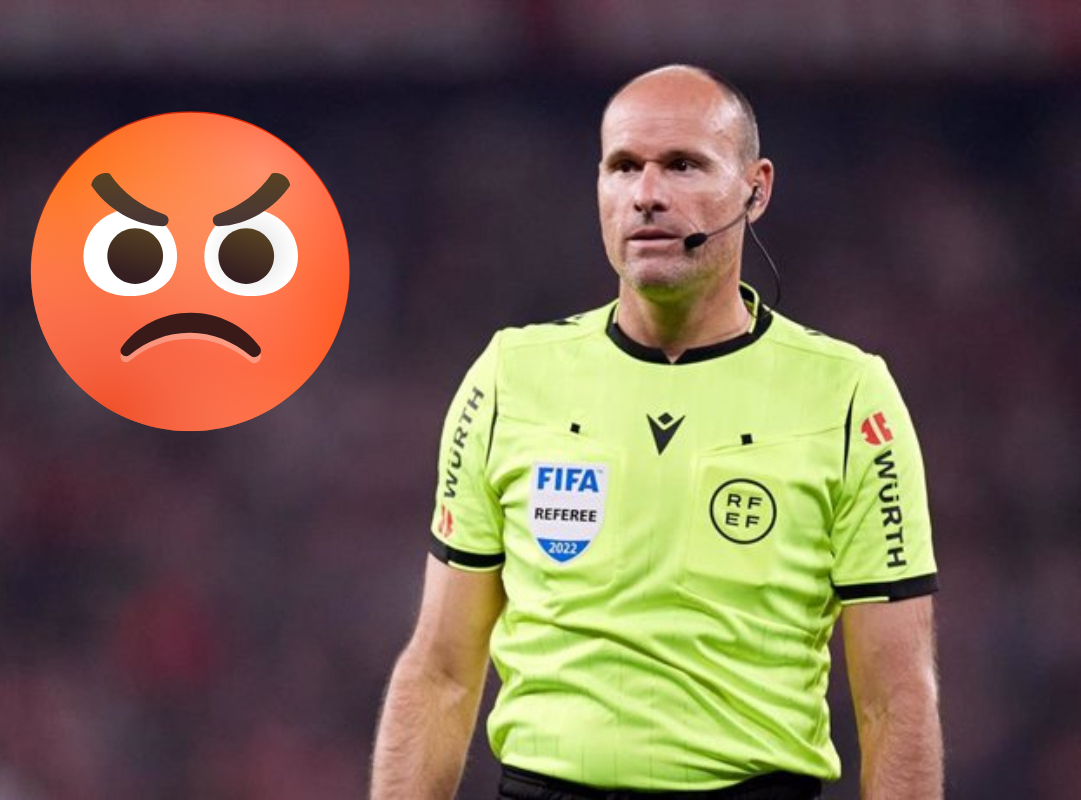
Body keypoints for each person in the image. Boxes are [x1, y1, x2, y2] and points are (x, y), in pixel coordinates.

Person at [371, 65, 942, 800]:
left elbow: (895, 698)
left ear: (756, 189)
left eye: (682, 165)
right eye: (623, 167)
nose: (646, 194)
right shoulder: (509, 377)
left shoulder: (849, 396)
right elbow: (442, 671)